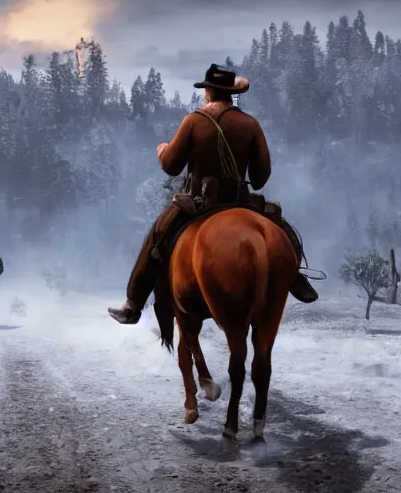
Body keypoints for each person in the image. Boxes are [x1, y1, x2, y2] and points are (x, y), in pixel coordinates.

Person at [108, 64, 318, 325]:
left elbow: (171, 166)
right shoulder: (250, 124)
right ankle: (293, 276)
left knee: (158, 235)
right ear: (230, 93)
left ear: (208, 91)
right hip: (241, 201)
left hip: (200, 203)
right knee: (283, 231)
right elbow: (261, 177)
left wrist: (162, 150)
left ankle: (133, 303)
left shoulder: (193, 121)